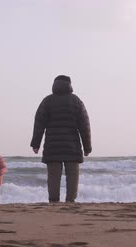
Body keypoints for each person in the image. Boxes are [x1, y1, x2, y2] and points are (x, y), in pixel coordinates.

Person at [30, 75, 92, 203]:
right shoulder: (76, 101)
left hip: (52, 146)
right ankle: (70, 200)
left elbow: (39, 123)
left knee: (53, 175)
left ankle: (53, 201)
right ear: (70, 85)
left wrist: (36, 144)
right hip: (72, 146)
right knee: (72, 175)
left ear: (54, 85)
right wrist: (87, 147)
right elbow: (85, 125)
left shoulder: (47, 101)